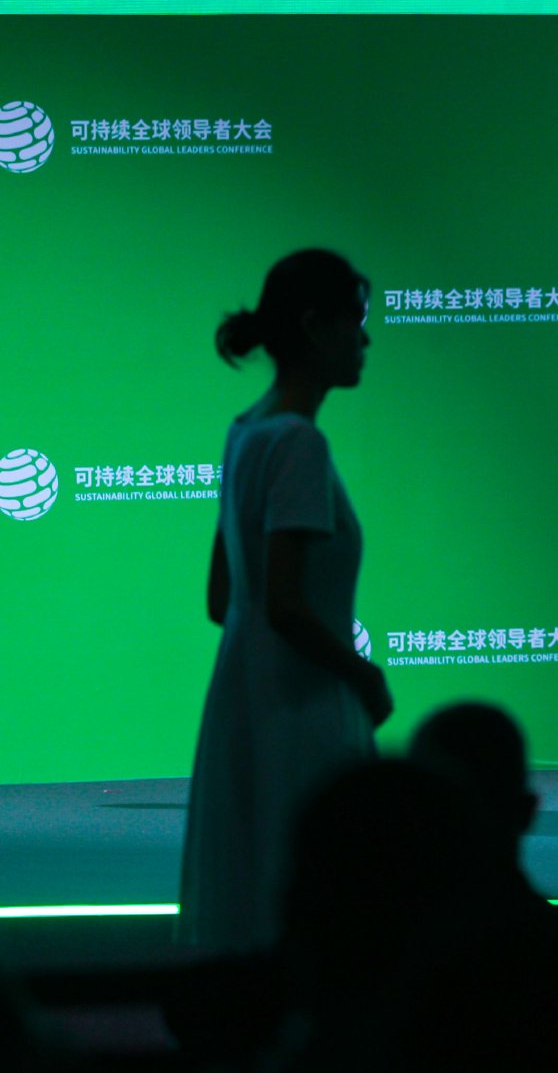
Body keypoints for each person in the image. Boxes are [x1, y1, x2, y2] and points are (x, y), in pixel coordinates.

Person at [177, 249, 391, 955]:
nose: (365, 338)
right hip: (305, 710)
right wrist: (363, 676)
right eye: (354, 320)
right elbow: (286, 603)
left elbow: (224, 598)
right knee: (315, 903)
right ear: (315, 326)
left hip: (245, 698)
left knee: (253, 897)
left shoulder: (246, 431)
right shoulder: (299, 443)